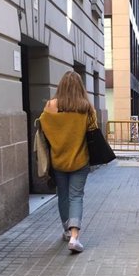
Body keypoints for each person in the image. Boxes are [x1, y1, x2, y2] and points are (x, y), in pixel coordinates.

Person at [39, 71, 97, 253]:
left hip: (58, 160)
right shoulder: (85, 107)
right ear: (80, 87)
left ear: (61, 86)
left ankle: (66, 230)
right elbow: (93, 130)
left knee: (62, 195)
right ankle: (74, 236)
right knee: (76, 196)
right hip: (80, 160)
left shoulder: (50, 106)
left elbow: (42, 128)